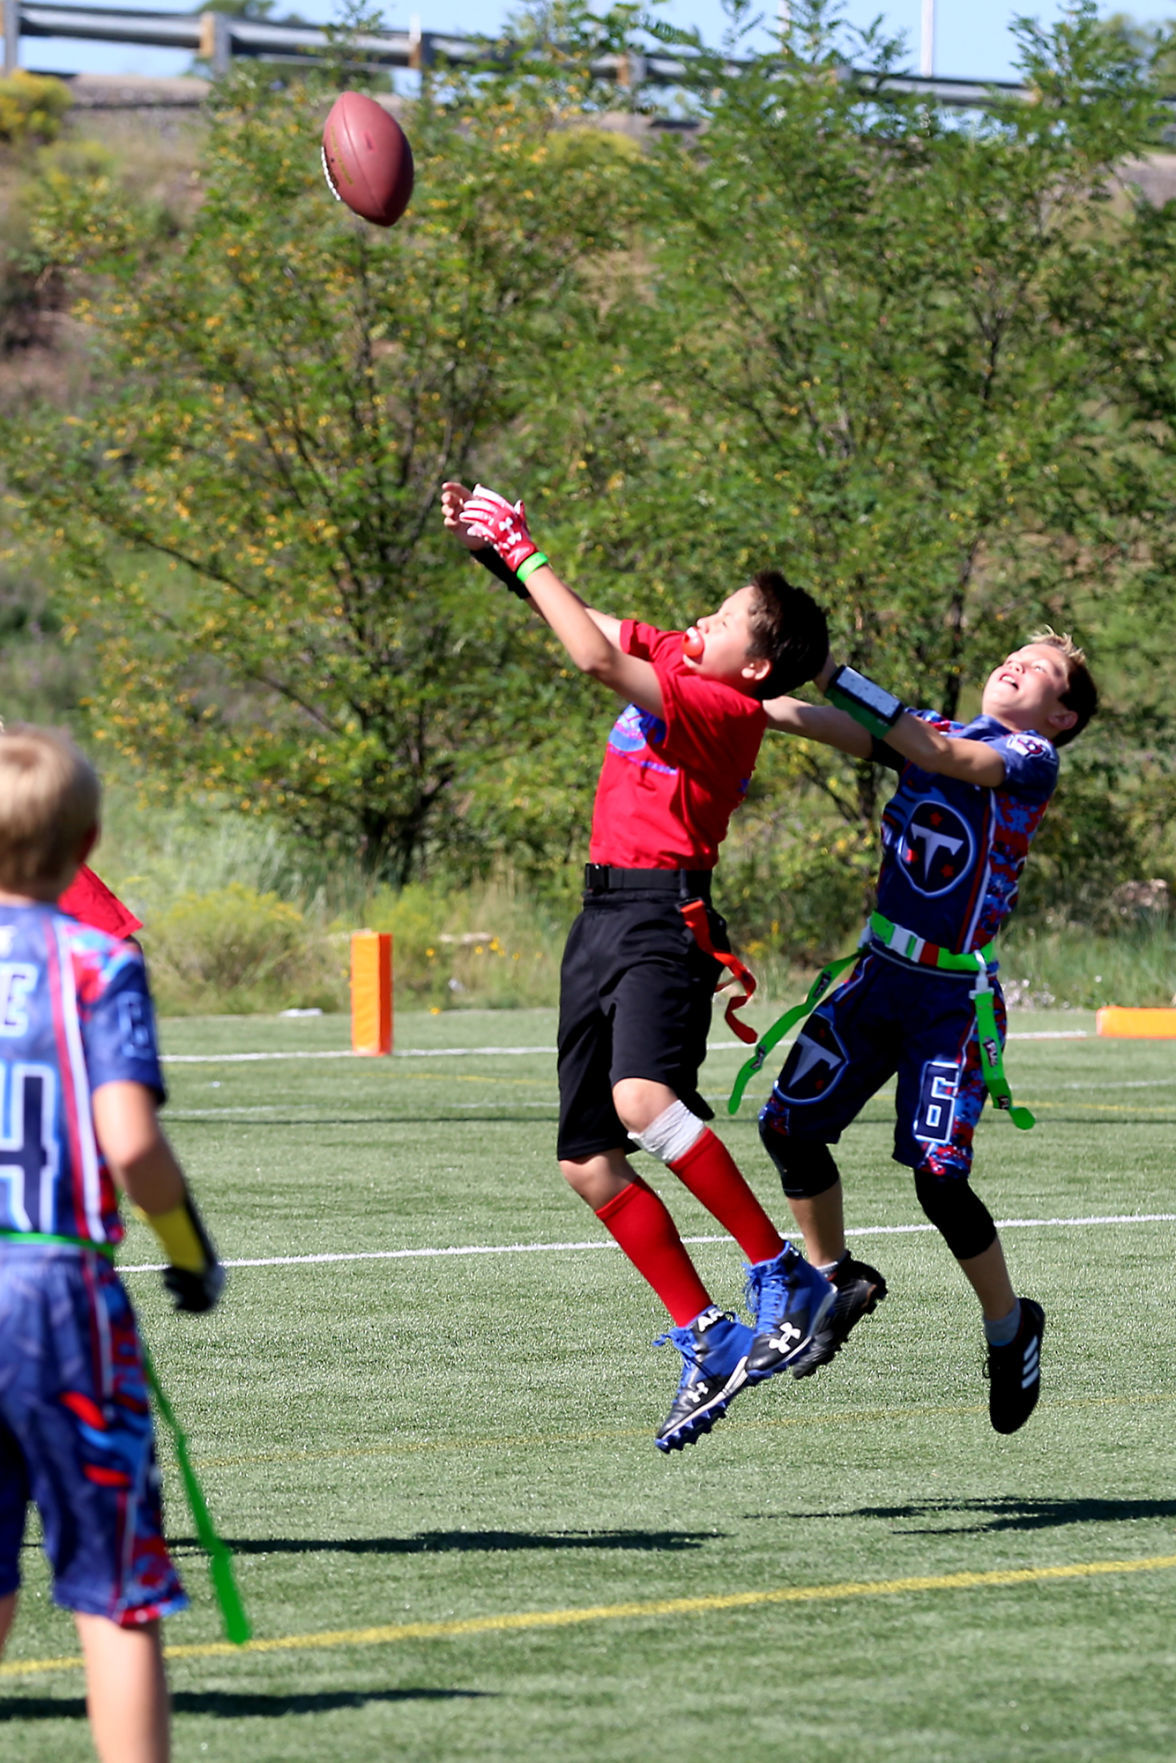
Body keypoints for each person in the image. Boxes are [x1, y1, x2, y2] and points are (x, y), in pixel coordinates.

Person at [442, 480, 885, 1452]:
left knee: (645, 1101)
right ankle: (706, 1333)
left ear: (755, 663)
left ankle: (784, 1270)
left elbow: (593, 655)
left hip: (662, 919)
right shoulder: (685, 654)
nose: (703, 616)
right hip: (599, 914)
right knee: (588, 1164)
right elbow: (590, 618)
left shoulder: (724, 708)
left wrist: (524, 548)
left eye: (726, 617)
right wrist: (495, 550)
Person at [757, 632, 1098, 1433]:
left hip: (951, 997)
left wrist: (834, 668)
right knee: (787, 1127)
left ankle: (1011, 1324)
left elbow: (938, 753)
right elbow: (809, 719)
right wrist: (714, 689)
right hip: (878, 976)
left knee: (939, 1178)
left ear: (1062, 715)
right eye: (1014, 651)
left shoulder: (1028, 757)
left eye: (1041, 669)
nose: (1016, 663)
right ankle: (835, 1275)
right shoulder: (930, 731)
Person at [0, 725, 224, 1763]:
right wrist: (185, 1248)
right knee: (113, 1583)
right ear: (89, 841)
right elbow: (130, 1141)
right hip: (57, 1290)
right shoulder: (92, 959)